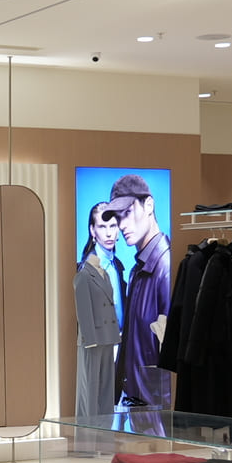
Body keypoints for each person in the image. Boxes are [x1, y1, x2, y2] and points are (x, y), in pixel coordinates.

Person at [110, 174, 171, 418]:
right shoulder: (138, 270)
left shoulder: (164, 268)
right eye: (117, 217)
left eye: (127, 212)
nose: (122, 224)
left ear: (149, 205)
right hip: (137, 403)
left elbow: (169, 351)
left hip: (155, 409)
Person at [74, 202, 123, 446]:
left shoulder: (113, 269)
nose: (109, 233)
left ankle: (104, 440)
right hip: (93, 341)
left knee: (106, 393)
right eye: (103, 227)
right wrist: (90, 339)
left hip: (109, 338)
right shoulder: (85, 272)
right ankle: (86, 443)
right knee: (89, 392)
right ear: (92, 230)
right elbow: (83, 311)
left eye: (113, 226)